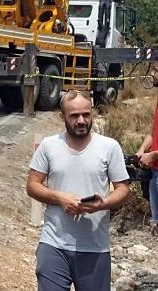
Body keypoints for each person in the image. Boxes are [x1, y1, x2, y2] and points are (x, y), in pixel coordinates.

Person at [27, 90, 130, 290]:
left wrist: (103, 204)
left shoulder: (109, 147)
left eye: (86, 114)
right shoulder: (49, 145)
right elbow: (32, 185)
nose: (81, 121)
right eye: (74, 116)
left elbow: (123, 188)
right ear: (62, 116)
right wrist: (59, 197)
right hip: (54, 243)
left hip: (95, 247)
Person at [136, 61, 158, 234]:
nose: (152, 73)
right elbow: (153, 134)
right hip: (154, 172)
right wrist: (142, 149)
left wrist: (153, 155)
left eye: (156, 70)